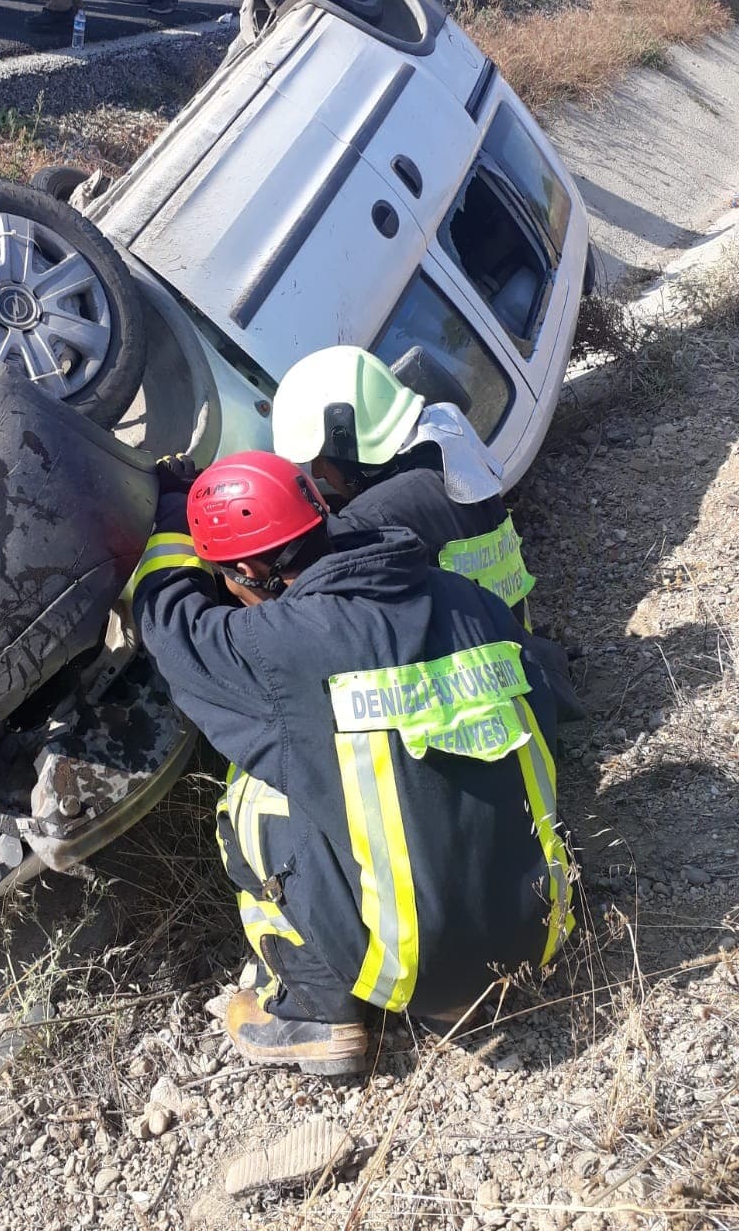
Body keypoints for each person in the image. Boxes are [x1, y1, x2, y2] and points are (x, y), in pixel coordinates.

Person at [133, 451, 575, 1073]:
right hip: (543, 929)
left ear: (249, 568)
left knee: (254, 794)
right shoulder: (467, 600)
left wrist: (172, 516)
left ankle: (309, 1006)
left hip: (424, 976)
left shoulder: (274, 647)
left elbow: (165, 620)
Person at [272, 346, 536, 626]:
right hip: (517, 641)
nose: (318, 472)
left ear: (345, 444)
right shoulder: (453, 448)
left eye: (321, 459)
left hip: (477, 664)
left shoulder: (372, 521)